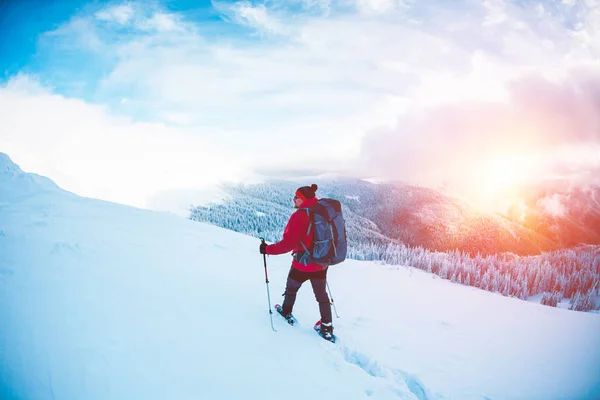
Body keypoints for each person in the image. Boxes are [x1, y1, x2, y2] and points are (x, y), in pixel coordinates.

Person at [259, 184, 334, 340]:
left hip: (302, 264)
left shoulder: (299, 216)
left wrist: (267, 250)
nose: (294, 199)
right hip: (321, 263)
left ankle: (286, 311)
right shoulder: (322, 210)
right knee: (321, 295)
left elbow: (288, 244)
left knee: (291, 289)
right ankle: (326, 327)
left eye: (296, 197)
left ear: (304, 199)